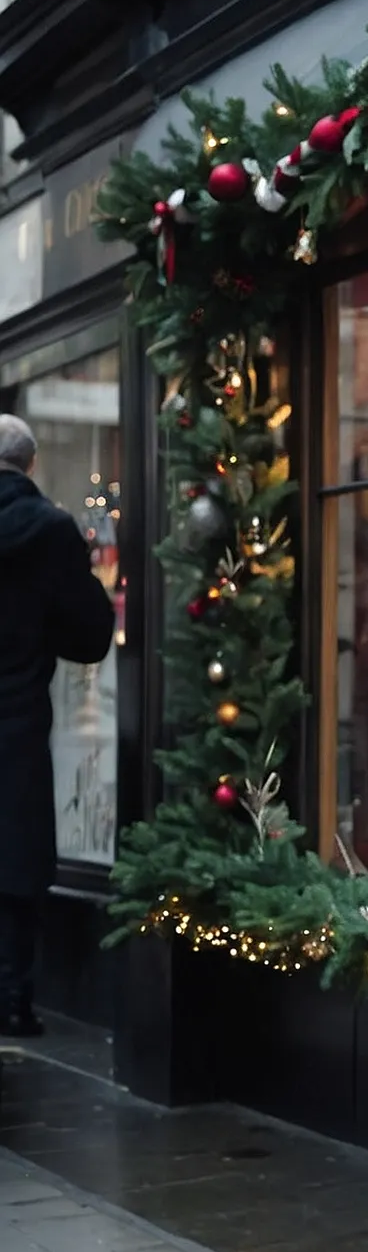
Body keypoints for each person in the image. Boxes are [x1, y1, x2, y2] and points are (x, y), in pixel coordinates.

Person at [0, 414, 115, 1037]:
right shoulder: (51, 530)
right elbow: (92, 634)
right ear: (32, 465)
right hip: (17, 720)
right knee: (16, 859)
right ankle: (13, 998)